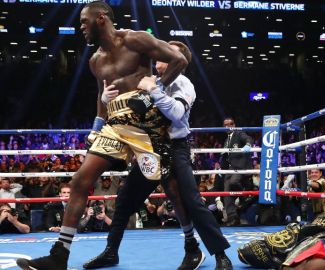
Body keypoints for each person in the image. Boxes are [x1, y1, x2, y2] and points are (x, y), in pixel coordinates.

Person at [17, 2, 188, 269]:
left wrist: (152, 90)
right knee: (79, 180)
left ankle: (191, 245)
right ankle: (60, 254)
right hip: (116, 125)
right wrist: (96, 128)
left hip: (148, 125)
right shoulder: (95, 61)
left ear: (100, 19)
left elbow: (180, 59)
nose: (81, 28)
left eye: (84, 22)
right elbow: (102, 96)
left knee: (172, 188)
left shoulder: (136, 39)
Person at [82, 40, 231, 270]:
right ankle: (111, 251)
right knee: (125, 199)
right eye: (162, 53)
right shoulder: (144, 78)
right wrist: (106, 101)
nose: (160, 57)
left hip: (175, 146)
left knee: (189, 200)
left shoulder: (183, 84)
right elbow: (126, 110)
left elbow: (177, 114)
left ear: (178, 62)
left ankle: (219, 256)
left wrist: (154, 90)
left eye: (168, 54)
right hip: (148, 148)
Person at [219, 117, 253, 226]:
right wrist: (221, 168)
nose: (228, 126)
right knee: (227, 193)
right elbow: (225, 156)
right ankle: (232, 218)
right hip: (229, 169)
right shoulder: (226, 140)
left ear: (234, 125)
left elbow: (248, 138)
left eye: (230, 124)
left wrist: (248, 144)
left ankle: (244, 195)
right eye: (226, 125)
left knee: (234, 182)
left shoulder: (239, 133)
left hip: (240, 167)